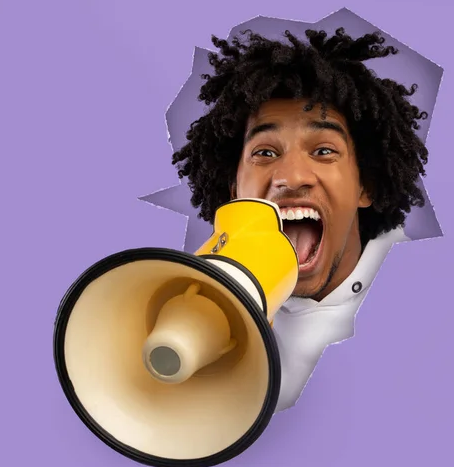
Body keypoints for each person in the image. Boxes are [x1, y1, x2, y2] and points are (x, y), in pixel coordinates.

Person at [171, 27, 429, 411]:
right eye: (265, 153)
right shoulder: (193, 297)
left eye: (324, 150)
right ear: (234, 189)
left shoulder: (430, 287)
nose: (290, 178)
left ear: (366, 185)